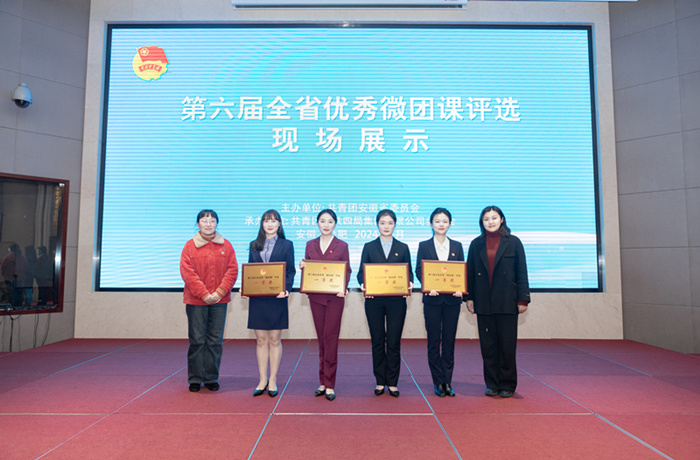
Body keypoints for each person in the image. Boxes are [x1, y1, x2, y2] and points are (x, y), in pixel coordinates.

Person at [466, 206, 530, 398]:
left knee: (507, 346)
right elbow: (470, 273)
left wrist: (523, 299)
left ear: (502, 219)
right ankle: (492, 384)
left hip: (507, 301)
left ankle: (508, 385)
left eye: (494, 218)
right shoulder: (476, 244)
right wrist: (469, 297)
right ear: (482, 222)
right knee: (488, 346)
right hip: (484, 302)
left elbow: (522, 272)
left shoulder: (514, 242)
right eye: (486, 219)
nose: (490, 222)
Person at [180, 210, 238, 393]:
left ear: (216, 223)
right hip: (196, 300)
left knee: (215, 341)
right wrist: (204, 294)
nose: (208, 224)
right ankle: (195, 378)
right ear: (198, 224)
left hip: (220, 301)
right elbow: (187, 273)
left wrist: (219, 292)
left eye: (212, 221)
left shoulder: (226, 245)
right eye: (204, 221)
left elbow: (232, 270)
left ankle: (211, 378)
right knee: (197, 340)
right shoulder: (189, 246)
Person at [358, 209, 413, 397]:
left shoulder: (403, 247)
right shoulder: (369, 247)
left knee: (394, 341)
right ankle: (380, 381)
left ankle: (393, 382)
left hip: (397, 301)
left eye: (390, 223)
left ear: (395, 224)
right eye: (382, 223)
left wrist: (409, 283)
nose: (386, 226)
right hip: (374, 301)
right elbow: (361, 273)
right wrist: (363, 284)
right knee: (377, 341)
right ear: (377, 224)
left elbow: (408, 273)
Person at [300, 209, 351, 401]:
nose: (326, 225)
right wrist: (303, 267)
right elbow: (309, 269)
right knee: (321, 338)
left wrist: (343, 287)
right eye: (322, 221)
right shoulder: (310, 244)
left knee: (331, 337)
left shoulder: (342, 245)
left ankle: (330, 384)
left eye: (330, 221)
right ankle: (322, 381)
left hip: (335, 298)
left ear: (335, 224)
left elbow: (347, 270)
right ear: (317, 223)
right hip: (316, 297)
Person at [415, 208, 465, 398]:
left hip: (452, 301)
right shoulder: (424, 245)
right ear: (431, 224)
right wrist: (428, 286)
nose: (441, 224)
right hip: (432, 300)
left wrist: (460, 287)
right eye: (437, 221)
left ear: (450, 224)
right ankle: (438, 381)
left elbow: (461, 271)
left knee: (449, 342)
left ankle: (447, 381)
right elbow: (419, 270)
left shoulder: (457, 246)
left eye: (445, 221)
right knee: (434, 342)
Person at [246, 209, 295, 398]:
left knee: (274, 339)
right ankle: (262, 379)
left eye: (274, 220)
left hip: (277, 298)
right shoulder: (253, 245)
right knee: (260, 340)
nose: (270, 224)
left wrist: (287, 289)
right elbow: (250, 270)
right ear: (262, 224)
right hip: (258, 299)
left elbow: (290, 270)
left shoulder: (287, 245)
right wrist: (246, 287)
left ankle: (273, 379)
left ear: (279, 224)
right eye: (266, 220)